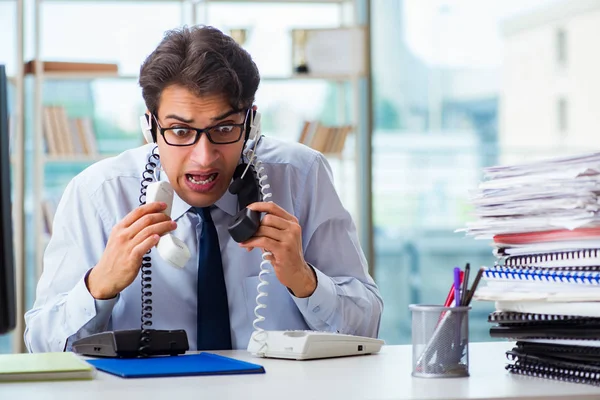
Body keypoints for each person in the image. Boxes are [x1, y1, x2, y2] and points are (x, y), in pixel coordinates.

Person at [24, 25, 383, 352]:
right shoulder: (98, 194)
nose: (204, 157)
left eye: (224, 129)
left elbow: (367, 329)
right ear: (150, 127)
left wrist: (304, 280)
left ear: (252, 123)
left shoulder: (302, 176)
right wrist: (99, 286)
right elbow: (42, 343)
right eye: (180, 131)